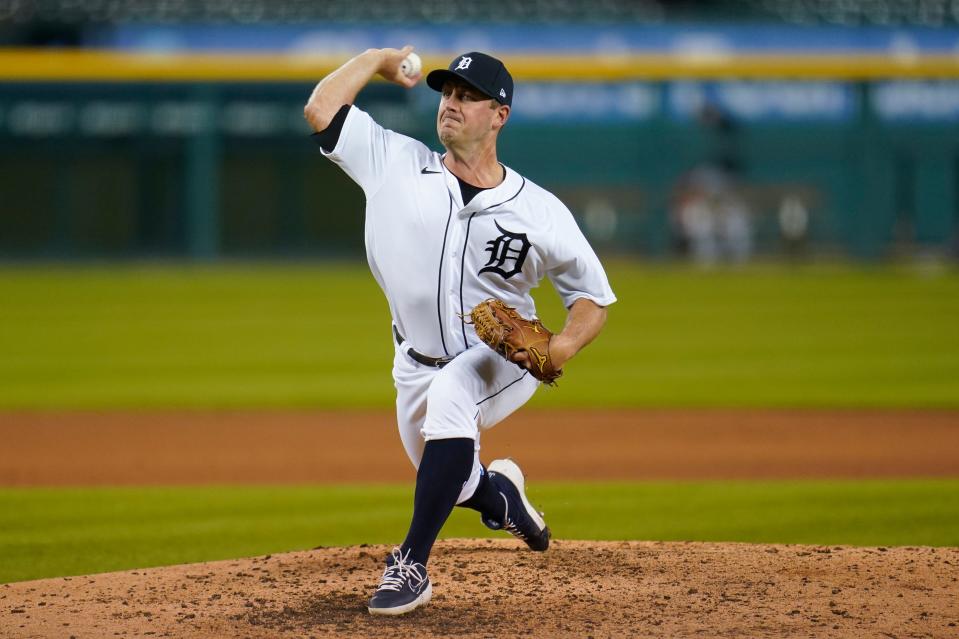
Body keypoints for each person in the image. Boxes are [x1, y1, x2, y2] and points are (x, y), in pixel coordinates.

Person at [304, 47, 616, 616]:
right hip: (412, 363)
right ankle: (507, 504)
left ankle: (411, 565)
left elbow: (592, 299)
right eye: (448, 92)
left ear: (499, 115)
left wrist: (561, 347)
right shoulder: (394, 163)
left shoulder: (539, 211)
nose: (451, 103)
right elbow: (322, 109)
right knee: (452, 477)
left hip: (497, 360)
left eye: (468, 96)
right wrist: (376, 60)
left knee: (454, 396)